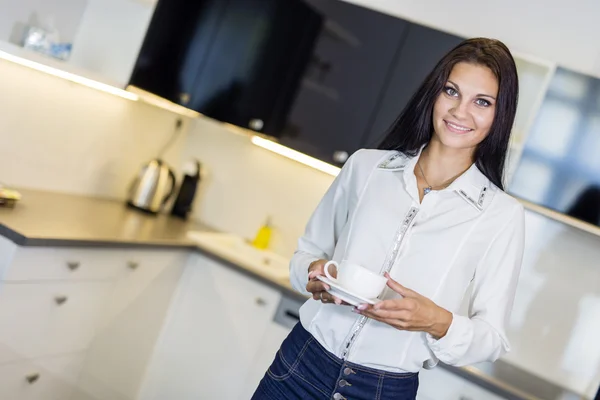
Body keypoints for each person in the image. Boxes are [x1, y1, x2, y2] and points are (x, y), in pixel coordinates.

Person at [252, 37, 525, 400]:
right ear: (434, 94)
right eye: (451, 91)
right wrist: (313, 275)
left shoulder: (501, 216)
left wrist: (437, 321)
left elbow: (492, 339)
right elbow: (305, 256)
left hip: (383, 390)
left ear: (499, 115)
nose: (461, 111)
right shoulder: (366, 167)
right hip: (301, 366)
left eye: (482, 102)